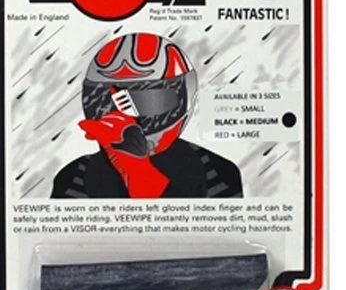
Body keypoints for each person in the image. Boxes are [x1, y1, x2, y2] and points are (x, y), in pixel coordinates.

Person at [51, 33, 242, 198]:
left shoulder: (217, 172)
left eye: (147, 102)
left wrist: (139, 172)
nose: (125, 119)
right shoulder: (74, 176)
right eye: (104, 104)